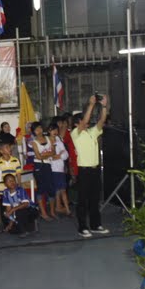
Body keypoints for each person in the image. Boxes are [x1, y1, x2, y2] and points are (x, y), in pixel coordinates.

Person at [72, 94, 110, 238]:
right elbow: (85, 121)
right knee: (83, 200)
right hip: (84, 171)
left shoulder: (92, 132)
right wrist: (91, 105)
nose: (86, 122)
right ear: (77, 124)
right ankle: (82, 227)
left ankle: (95, 225)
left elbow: (101, 121)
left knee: (95, 199)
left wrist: (104, 106)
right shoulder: (75, 133)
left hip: (95, 170)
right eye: (82, 121)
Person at [29, 122, 55, 220]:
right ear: (33, 132)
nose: (39, 130)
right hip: (39, 166)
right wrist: (48, 154)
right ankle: (43, 213)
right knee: (41, 188)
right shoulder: (34, 142)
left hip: (48, 165)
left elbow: (53, 152)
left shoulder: (49, 139)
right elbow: (38, 157)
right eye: (36, 129)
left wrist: (44, 154)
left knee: (51, 188)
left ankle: (52, 212)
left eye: (40, 128)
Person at [1, 174, 39, 238]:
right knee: (11, 229)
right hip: (18, 213)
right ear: (5, 184)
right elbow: (8, 209)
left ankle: (24, 231)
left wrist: (12, 210)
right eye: (9, 181)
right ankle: (28, 228)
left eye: (13, 180)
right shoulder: (5, 192)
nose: (12, 182)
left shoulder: (20, 190)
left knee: (19, 211)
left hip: (31, 210)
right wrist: (10, 224)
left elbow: (25, 204)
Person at [47, 123, 70, 216]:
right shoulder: (46, 142)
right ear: (49, 131)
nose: (55, 132)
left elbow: (66, 155)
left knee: (63, 190)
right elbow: (49, 157)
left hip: (60, 169)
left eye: (56, 130)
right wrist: (59, 155)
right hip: (52, 169)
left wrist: (58, 156)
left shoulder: (59, 141)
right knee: (56, 190)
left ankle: (67, 209)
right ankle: (58, 208)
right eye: (53, 130)